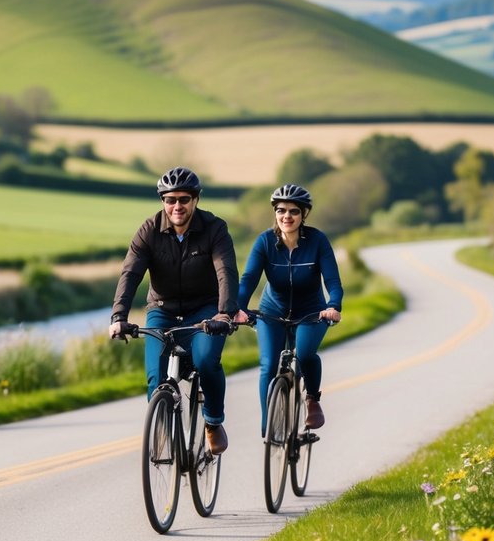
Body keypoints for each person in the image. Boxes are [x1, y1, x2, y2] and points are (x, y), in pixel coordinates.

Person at [109, 166, 239, 454]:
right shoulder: (149, 230)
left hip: (205, 310)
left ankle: (213, 422)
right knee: (156, 377)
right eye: (170, 200)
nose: (177, 206)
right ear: (163, 202)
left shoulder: (214, 229)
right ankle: (164, 427)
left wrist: (225, 313)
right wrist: (119, 316)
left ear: (195, 200)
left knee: (206, 360)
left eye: (184, 199)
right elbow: (130, 274)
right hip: (162, 309)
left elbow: (226, 272)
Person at [235, 183, 343, 433]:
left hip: (311, 312)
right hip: (272, 311)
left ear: (304, 214)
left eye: (294, 211)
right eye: (281, 210)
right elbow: (248, 279)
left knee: (304, 354)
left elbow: (333, 282)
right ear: (275, 212)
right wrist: (238, 308)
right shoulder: (265, 242)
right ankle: (268, 426)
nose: (287, 216)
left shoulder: (317, 241)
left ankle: (312, 399)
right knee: (269, 364)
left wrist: (333, 305)